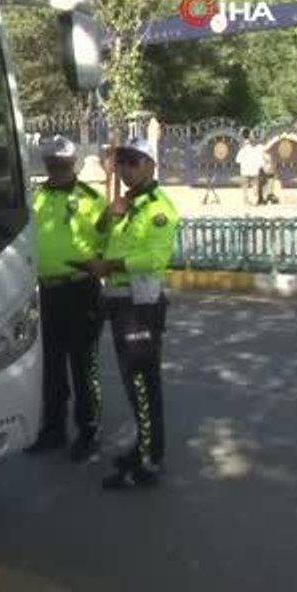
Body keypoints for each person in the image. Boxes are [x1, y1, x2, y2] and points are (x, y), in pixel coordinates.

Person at [80, 137, 180, 490]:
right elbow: (101, 237)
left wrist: (111, 264)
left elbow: (154, 260)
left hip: (141, 305)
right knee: (132, 382)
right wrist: (108, 218)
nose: (125, 169)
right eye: (121, 163)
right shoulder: (126, 204)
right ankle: (143, 448)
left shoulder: (157, 207)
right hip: (119, 301)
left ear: (151, 164)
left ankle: (150, 461)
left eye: (133, 162)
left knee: (142, 383)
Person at [26, 135, 107, 461]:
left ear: (72, 164)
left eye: (60, 164)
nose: (55, 168)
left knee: (83, 365)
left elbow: (109, 242)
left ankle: (89, 431)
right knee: (51, 366)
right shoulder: (36, 199)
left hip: (80, 290)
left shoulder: (91, 199)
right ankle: (54, 429)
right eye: (50, 163)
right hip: (45, 293)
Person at [235, 140, 261, 205]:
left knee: (245, 188)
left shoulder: (242, 151)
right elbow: (260, 161)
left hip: (244, 171)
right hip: (254, 171)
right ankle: (255, 201)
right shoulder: (255, 150)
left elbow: (237, 160)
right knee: (255, 187)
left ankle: (246, 202)